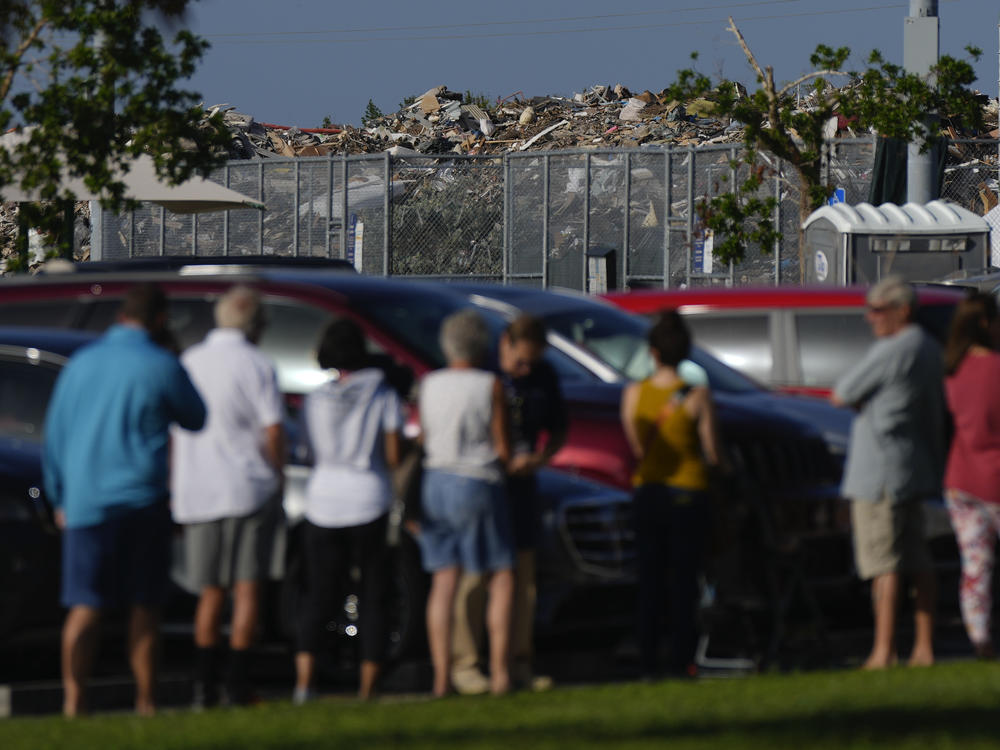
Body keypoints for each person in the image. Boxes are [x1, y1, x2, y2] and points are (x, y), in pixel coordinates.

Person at [42, 283, 206, 717]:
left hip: (85, 502)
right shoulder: (159, 364)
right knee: (144, 607)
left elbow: (55, 437)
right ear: (160, 320)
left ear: (120, 316)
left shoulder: (81, 364)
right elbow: (196, 416)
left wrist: (59, 495)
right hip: (141, 500)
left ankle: (74, 700)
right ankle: (146, 701)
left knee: (84, 606)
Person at [170, 286, 286, 707]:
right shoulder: (257, 364)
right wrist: (280, 474)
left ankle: (203, 684)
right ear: (256, 325)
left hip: (199, 488)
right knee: (247, 588)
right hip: (248, 487)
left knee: (210, 591)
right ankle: (238, 682)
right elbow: (273, 429)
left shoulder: (191, 360)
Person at [831, 275, 945, 669]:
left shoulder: (893, 349)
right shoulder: (929, 348)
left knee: (885, 564)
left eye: (878, 310)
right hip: (913, 465)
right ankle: (924, 647)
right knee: (918, 558)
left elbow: (842, 391)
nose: (870, 317)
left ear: (903, 310)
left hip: (878, 471)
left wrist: (867, 402)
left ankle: (884, 650)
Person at [450, 314, 567, 694]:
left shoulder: (543, 377)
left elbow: (559, 425)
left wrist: (540, 457)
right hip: (482, 481)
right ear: (505, 343)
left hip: (521, 484)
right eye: (521, 360)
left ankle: (518, 661)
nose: (526, 368)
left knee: (521, 578)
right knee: (474, 575)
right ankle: (467, 663)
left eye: (532, 362)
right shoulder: (482, 373)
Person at [292, 317, 402, 702]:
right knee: (375, 595)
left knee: (319, 593)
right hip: (368, 498)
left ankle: (305, 683)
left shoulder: (315, 398)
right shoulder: (382, 393)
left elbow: (305, 453)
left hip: (323, 500)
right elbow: (391, 453)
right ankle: (368, 687)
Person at [620, 309, 722, 679]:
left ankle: (648, 656)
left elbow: (636, 448)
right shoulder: (698, 396)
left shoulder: (634, 394)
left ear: (653, 352)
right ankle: (682, 658)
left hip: (649, 491)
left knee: (650, 578)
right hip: (689, 492)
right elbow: (712, 452)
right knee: (684, 579)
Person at [418, 309, 514, 697]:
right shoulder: (489, 385)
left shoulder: (429, 383)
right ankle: (501, 673)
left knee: (443, 581)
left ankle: (442, 677)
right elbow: (502, 446)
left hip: (434, 481)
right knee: (501, 576)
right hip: (476, 479)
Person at [941, 292, 1000, 659]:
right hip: (995, 477)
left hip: (961, 479)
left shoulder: (953, 371)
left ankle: (979, 639)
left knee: (975, 567)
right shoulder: (995, 369)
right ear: (985, 324)